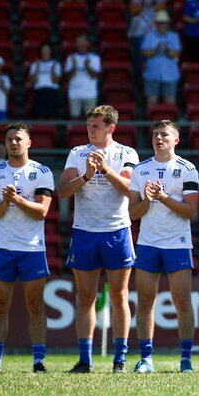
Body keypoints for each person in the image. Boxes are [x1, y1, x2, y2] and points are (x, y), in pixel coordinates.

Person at [57, 105, 140, 373]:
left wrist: (104, 169)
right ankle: (85, 360)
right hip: (84, 231)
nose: (90, 130)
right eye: (88, 125)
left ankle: (120, 360)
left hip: (117, 231)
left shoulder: (126, 153)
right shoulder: (77, 153)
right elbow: (62, 191)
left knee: (119, 296)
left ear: (110, 128)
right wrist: (87, 175)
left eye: (96, 126)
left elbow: (131, 190)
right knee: (85, 298)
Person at [127, 120, 199, 373]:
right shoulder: (141, 169)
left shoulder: (187, 168)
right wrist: (146, 199)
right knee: (145, 300)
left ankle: (186, 359)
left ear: (175, 140)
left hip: (177, 244)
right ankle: (146, 358)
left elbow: (191, 211)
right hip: (148, 243)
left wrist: (164, 197)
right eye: (156, 134)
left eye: (164, 135)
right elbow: (133, 213)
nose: (159, 138)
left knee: (182, 300)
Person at [0, 123, 53, 372]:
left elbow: (42, 212)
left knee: (35, 306)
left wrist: (17, 199)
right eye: (10, 139)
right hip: (2, 247)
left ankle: (39, 361)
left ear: (29, 143)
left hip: (32, 249)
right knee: (0, 306)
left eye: (18, 139)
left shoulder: (42, 172)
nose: (13, 143)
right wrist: (5, 202)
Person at [140, 10, 182, 106]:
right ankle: (152, 120)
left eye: (164, 23)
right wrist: (156, 49)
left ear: (167, 24)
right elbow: (145, 52)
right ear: (156, 24)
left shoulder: (174, 36)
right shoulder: (149, 36)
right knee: (151, 101)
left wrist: (167, 50)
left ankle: (169, 121)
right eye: (160, 23)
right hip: (152, 73)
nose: (162, 25)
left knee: (170, 101)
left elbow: (176, 54)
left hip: (170, 73)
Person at [128, 0, 166, 67]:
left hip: (154, 30)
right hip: (138, 31)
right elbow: (133, 11)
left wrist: (154, 3)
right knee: (140, 58)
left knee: (154, 57)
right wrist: (142, 5)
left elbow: (161, 10)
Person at [64, 35, 101, 118]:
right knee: (74, 118)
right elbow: (68, 77)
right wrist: (73, 67)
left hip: (90, 93)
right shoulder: (71, 58)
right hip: (74, 93)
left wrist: (87, 66)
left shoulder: (94, 58)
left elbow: (94, 76)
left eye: (82, 42)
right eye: (78, 42)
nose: (80, 44)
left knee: (91, 120)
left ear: (87, 43)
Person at [28, 43, 61, 118]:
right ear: (41, 52)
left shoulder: (56, 64)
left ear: (51, 51)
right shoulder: (35, 64)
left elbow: (55, 81)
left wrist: (52, 70)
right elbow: (32, 81)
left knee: (52, 116)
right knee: (39, 116)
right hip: (39, 92)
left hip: (52, 92)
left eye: (47, 50)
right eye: (44, 50)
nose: (45, 52)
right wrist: (37, 68)